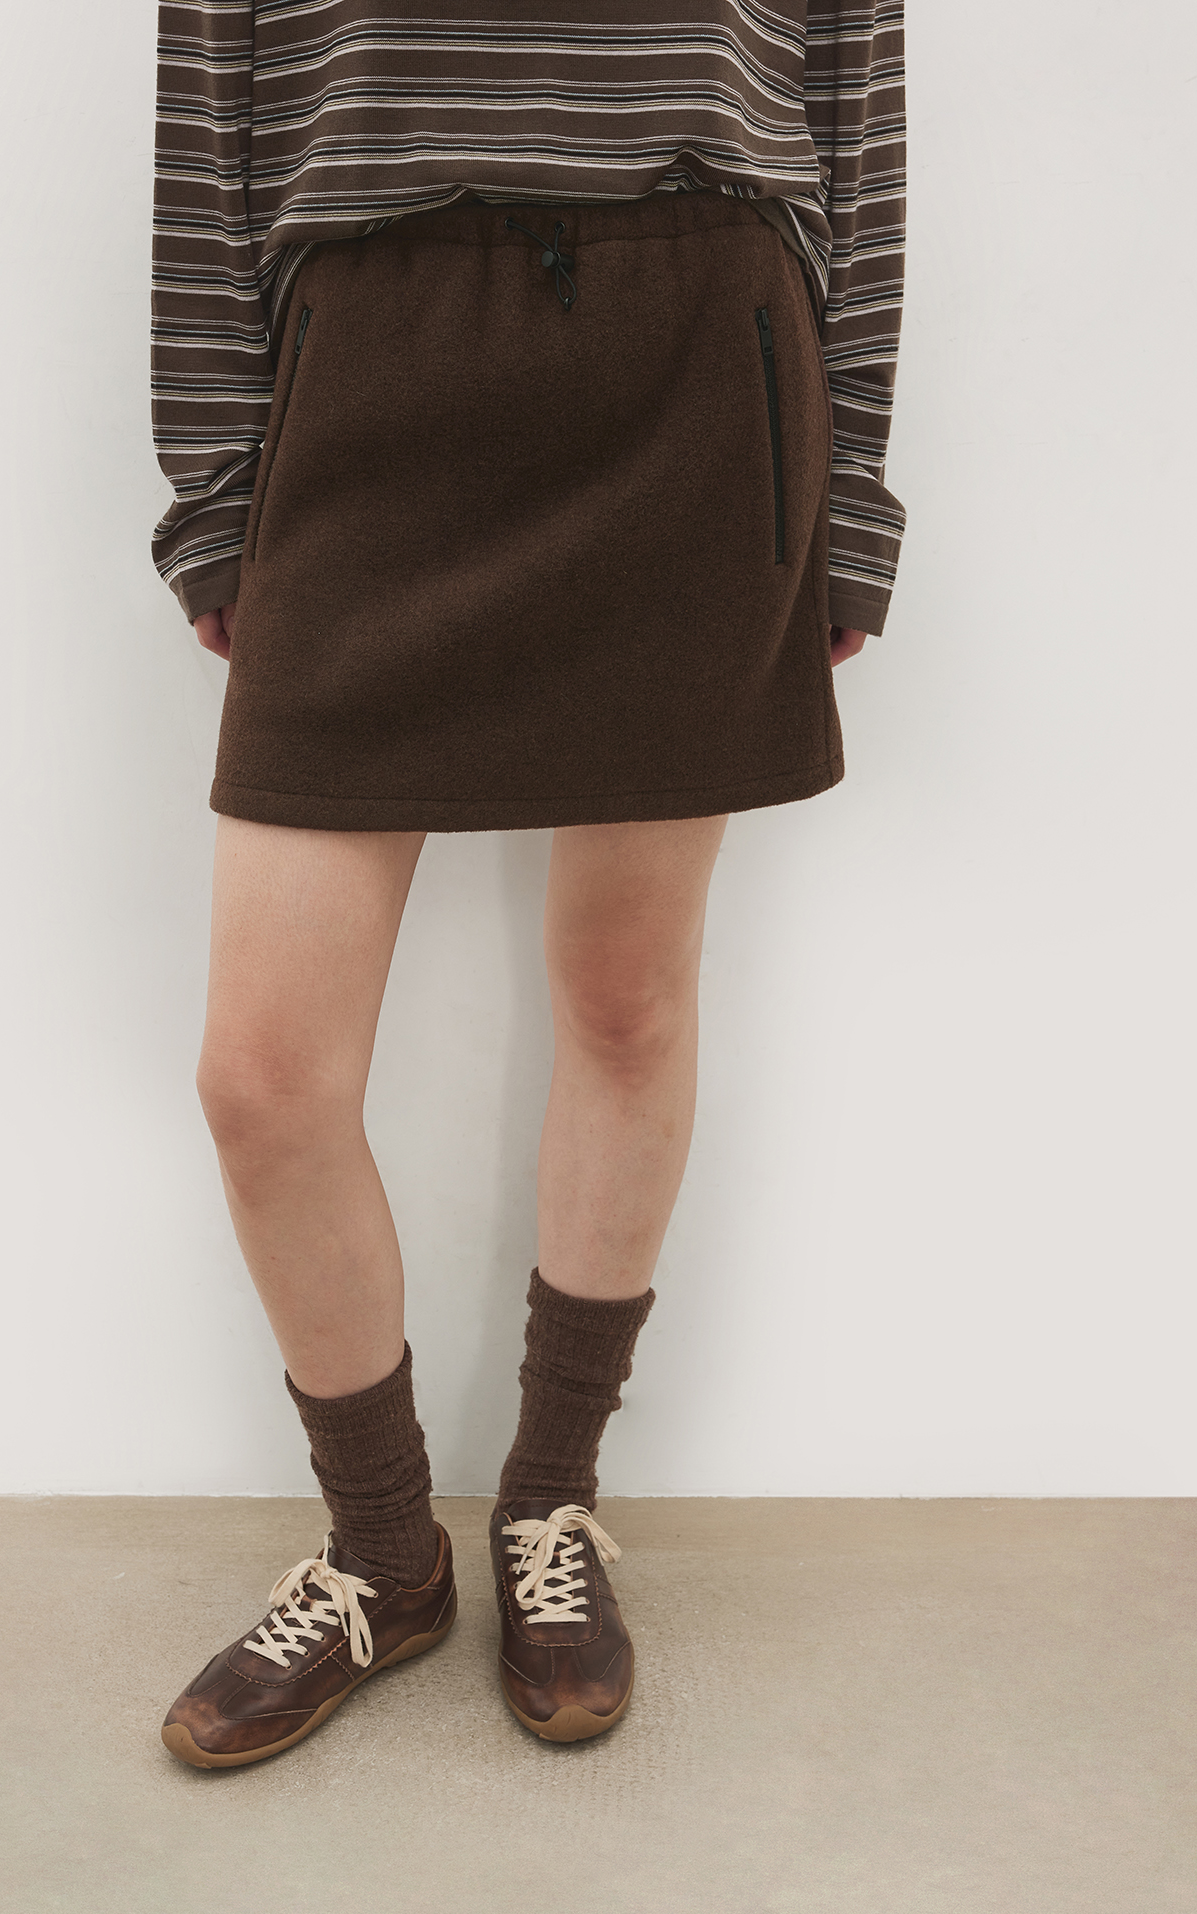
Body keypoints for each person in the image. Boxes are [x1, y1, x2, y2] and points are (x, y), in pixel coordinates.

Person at [149, 0, 906, 1767]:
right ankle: (384, 1552)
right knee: (263, 1077)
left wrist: (853, 486)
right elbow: (207, 130)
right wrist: (215, 489)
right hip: (373, 373)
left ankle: (551, 1503)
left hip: (692, 362)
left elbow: (855, 120)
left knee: (627, 999)